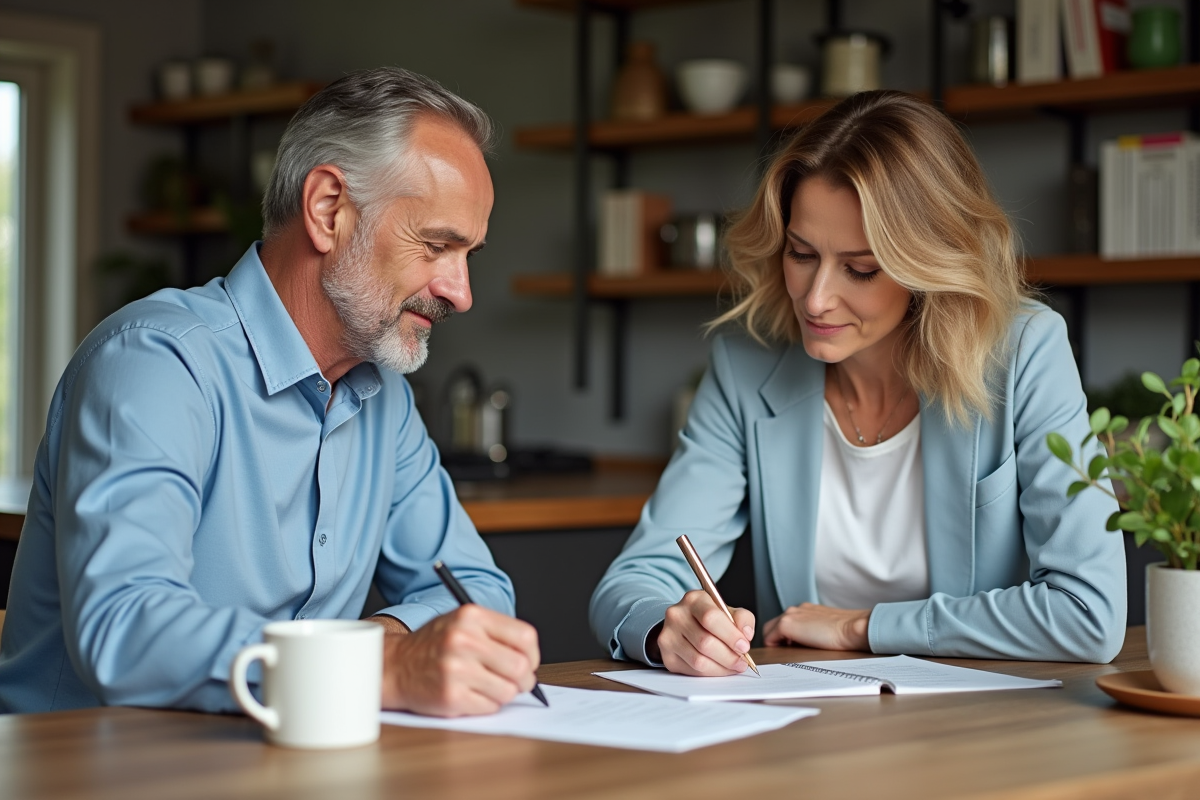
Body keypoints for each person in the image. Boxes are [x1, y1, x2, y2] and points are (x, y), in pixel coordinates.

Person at [0, 67, 540, 716]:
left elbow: (475, 593)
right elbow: (125, 628)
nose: (461, 292)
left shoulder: (385, 400)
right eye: (435, 245)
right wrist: (380, 664)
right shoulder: (155, 360)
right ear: (327, 209)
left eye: (468, 256)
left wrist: (378, 651)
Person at [589, 90, 1126, 676]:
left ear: (928, 264)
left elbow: (1087, 613)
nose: (816, 298)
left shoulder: (1024, 352)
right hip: (806, 723)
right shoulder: (746, 368)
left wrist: (862, 626)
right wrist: (668, 630)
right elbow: (633, 583)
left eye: (860, 269)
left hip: (977, 726)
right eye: (801, 253)